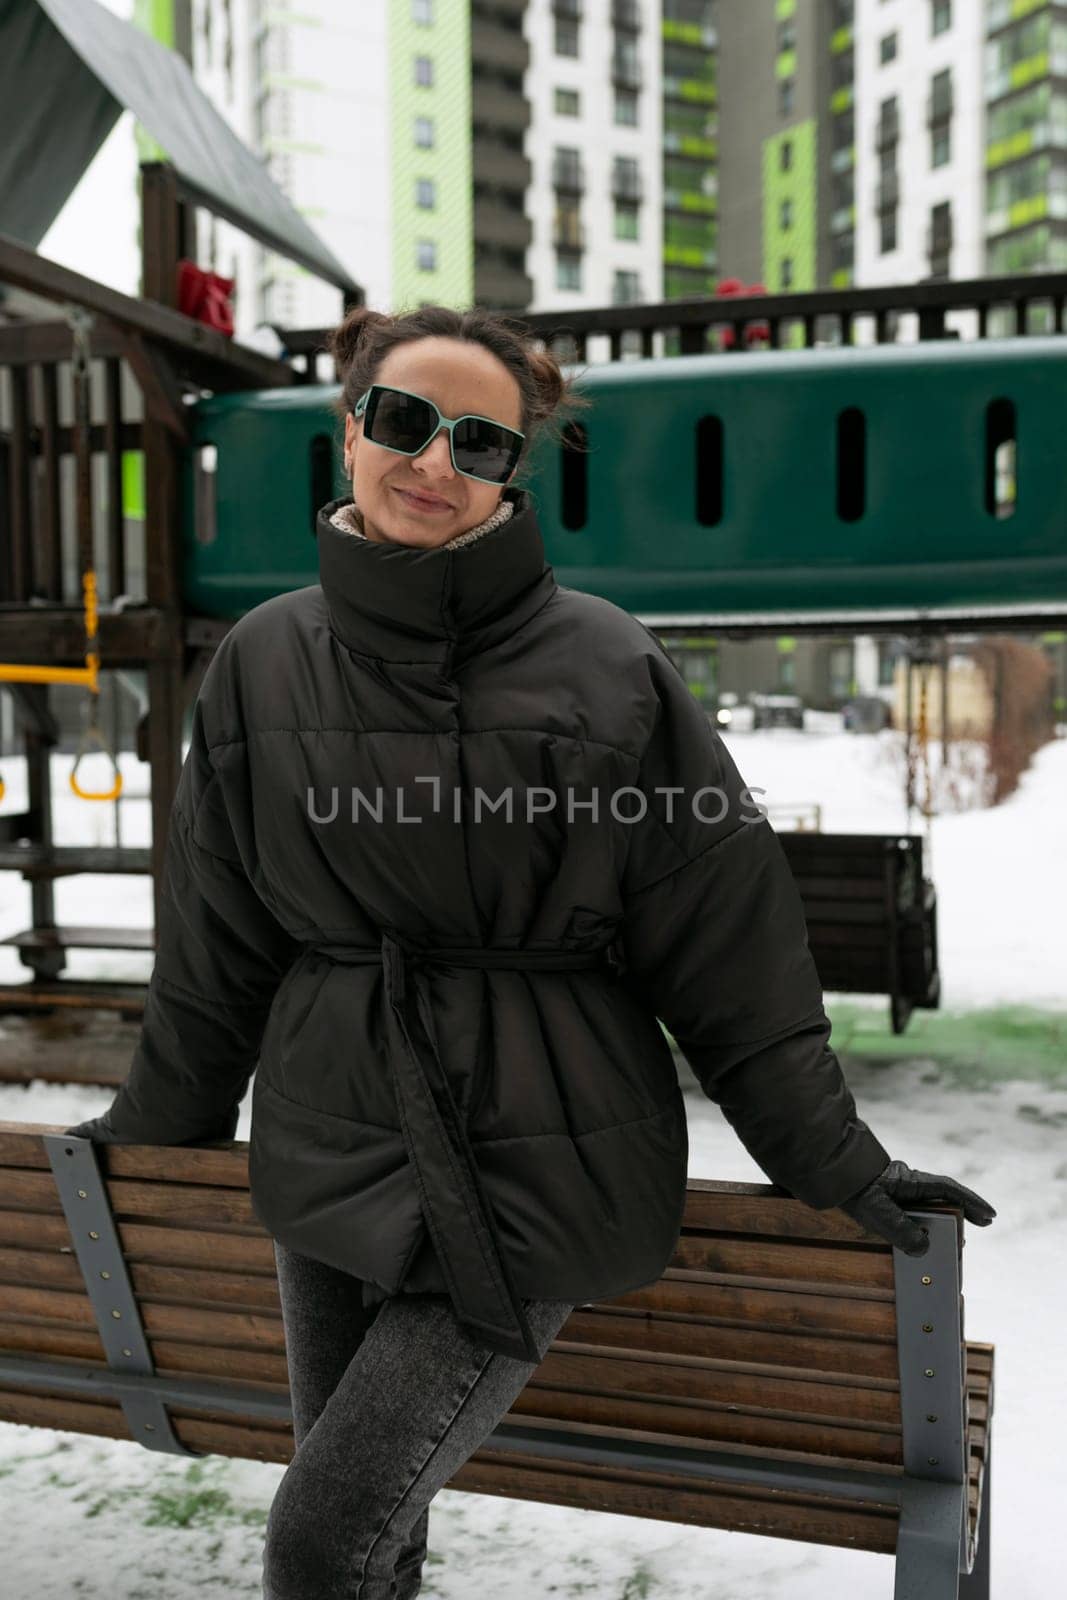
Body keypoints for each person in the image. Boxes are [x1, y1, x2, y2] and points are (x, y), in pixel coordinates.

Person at [66, 303, 996, 1598]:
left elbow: (726, 945)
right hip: (327, 1145)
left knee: (320, 1537)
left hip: (529, 1168)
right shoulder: (264, 661)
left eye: (481, 442)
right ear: (350, 433)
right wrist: (153, 1123)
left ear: (515, 470)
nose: (434, 462)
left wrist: (837, 1163)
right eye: (403, 422)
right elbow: (216, 948)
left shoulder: (605, 664)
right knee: (374, 1538)